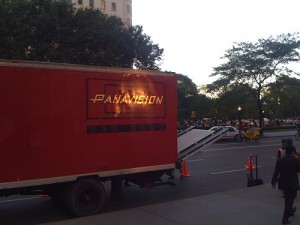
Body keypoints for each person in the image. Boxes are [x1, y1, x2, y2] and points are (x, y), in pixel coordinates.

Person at [271, 145, 300, 224]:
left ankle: (291, 211)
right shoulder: (296, 160)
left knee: (288, 199)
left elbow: (276, 172)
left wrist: (273, 182)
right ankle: (285, 218)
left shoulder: (280, 160)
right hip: (293, 183)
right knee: (289, 201)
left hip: (284, 183)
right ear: (293, 151)